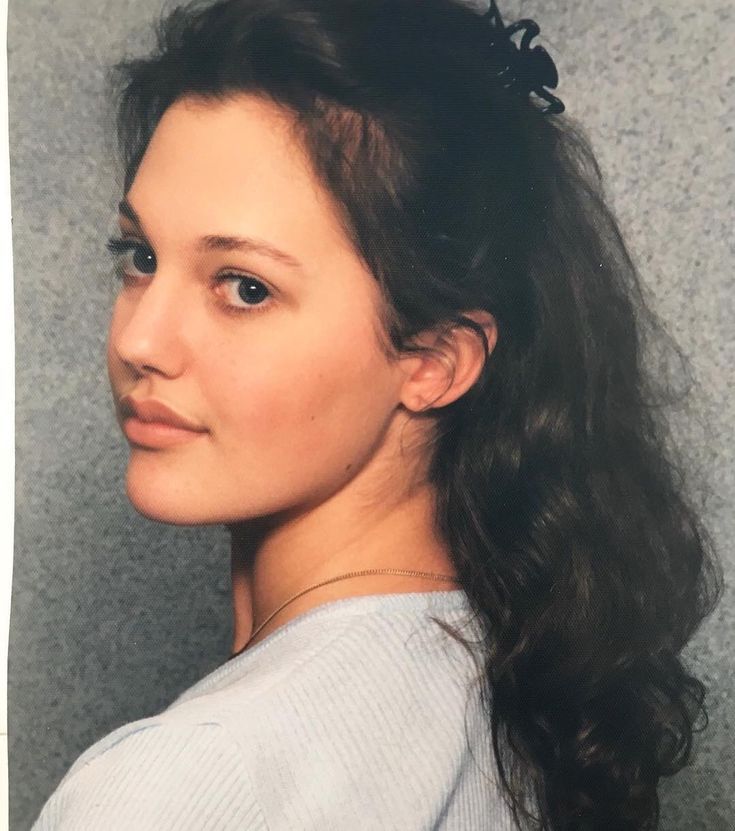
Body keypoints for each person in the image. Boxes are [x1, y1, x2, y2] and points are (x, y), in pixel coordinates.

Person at [31, 0, 720, 828]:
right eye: (140, 258)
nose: (139, 338)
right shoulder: (522, 692)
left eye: (244, 287)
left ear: (433, 361)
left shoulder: (189, 781)